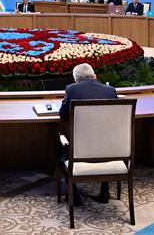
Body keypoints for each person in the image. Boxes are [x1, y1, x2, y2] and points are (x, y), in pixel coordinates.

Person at [59, 63, 118, 205]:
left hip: (79, 150)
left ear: (76, 79)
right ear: (94, 76)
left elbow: (63, 115)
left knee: (60, 151)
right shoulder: (111, 91)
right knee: (104, 141)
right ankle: (104, 191)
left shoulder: (71, 89)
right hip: (108, 149)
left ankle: (74, 193)